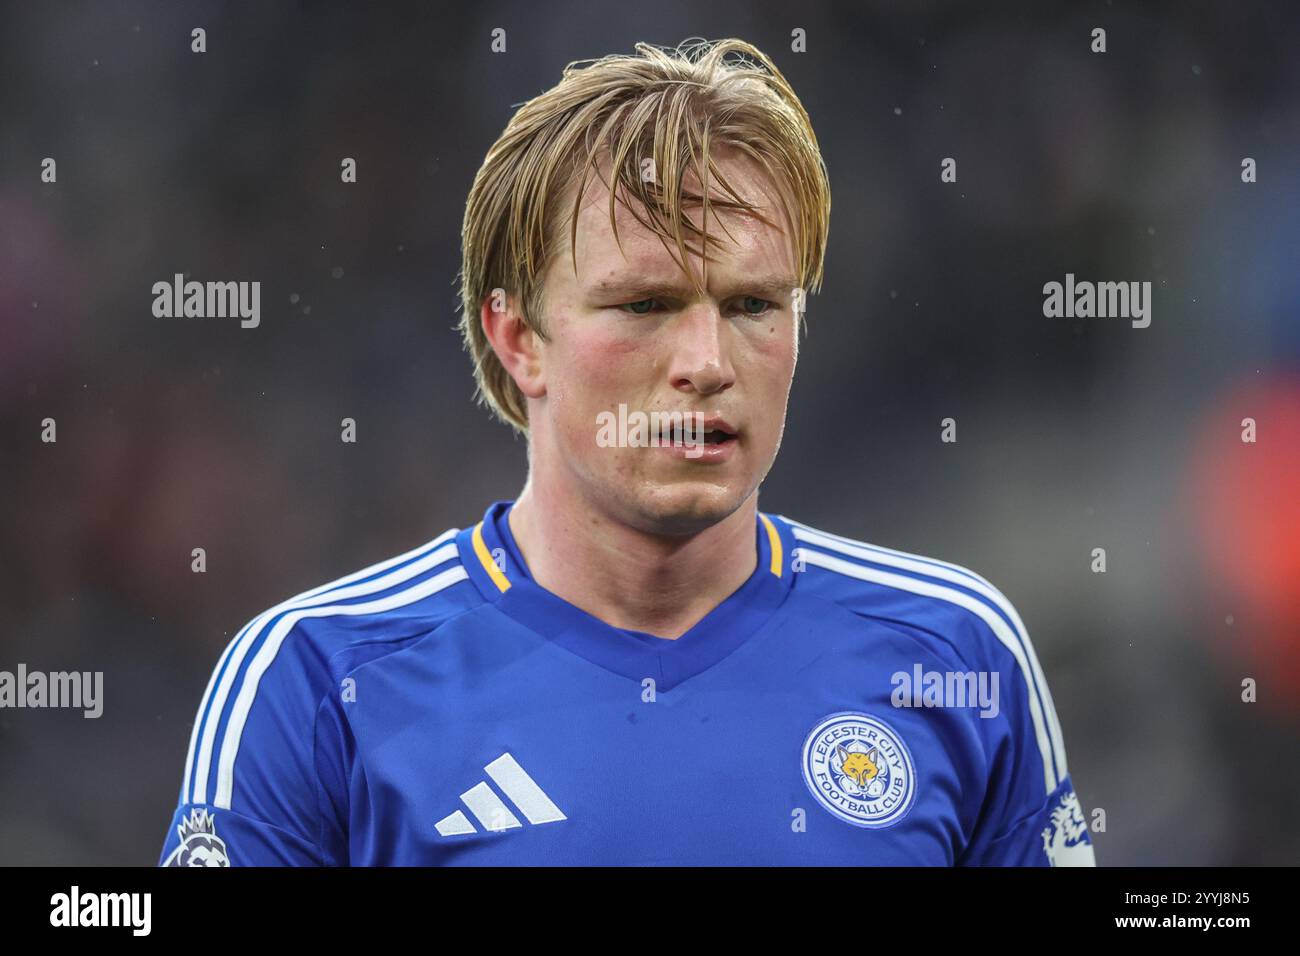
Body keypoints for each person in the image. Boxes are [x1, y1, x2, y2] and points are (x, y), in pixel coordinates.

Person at [160, 37, 1095, 866]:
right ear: (518, 339)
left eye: (753, 305)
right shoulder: (318, 681)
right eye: (645, 306)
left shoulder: (958, 654)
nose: (706, 363)